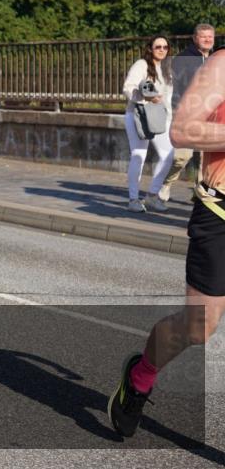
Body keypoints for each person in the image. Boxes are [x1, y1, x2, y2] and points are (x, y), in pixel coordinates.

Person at [108, 48, 225, 438]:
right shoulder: (222, 65)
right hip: (220, 213)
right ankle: (141, 376)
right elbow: (183, 130)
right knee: (197, 328)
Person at [161, 24, 217, 202]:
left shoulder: (216, 58)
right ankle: (164, 186)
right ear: (195, 39)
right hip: (186, 115)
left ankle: (200, 195)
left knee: (203, 160)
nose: (207, 40)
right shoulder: (184, 59)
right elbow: (182, 85)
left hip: (208, 116)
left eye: (210, 37)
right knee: (181, 157)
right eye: (203, 37)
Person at [122, 35, 174, 213]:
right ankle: (133, 199)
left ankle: (152, 196)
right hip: (139, 116)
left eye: (165, 47)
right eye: (158, 46)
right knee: (139, 155)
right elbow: (128, 87)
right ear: (150, 48)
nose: (161, 50)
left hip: (160, 118)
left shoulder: (167, 69)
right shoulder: (142, 65)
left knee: (168, 155)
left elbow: (169, 97)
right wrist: (147, 97)